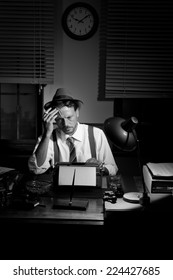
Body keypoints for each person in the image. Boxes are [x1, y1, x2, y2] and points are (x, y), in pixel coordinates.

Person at [28, 88, 118, 176]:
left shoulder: (97, 134)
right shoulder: (47, 138)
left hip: (90, 188)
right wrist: (47, 134)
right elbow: (36, 169)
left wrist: (100, 168)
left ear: (77, 112)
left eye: (69, 117)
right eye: (59, 119)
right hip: (60, 190)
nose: (66, 124)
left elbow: (113, 168)